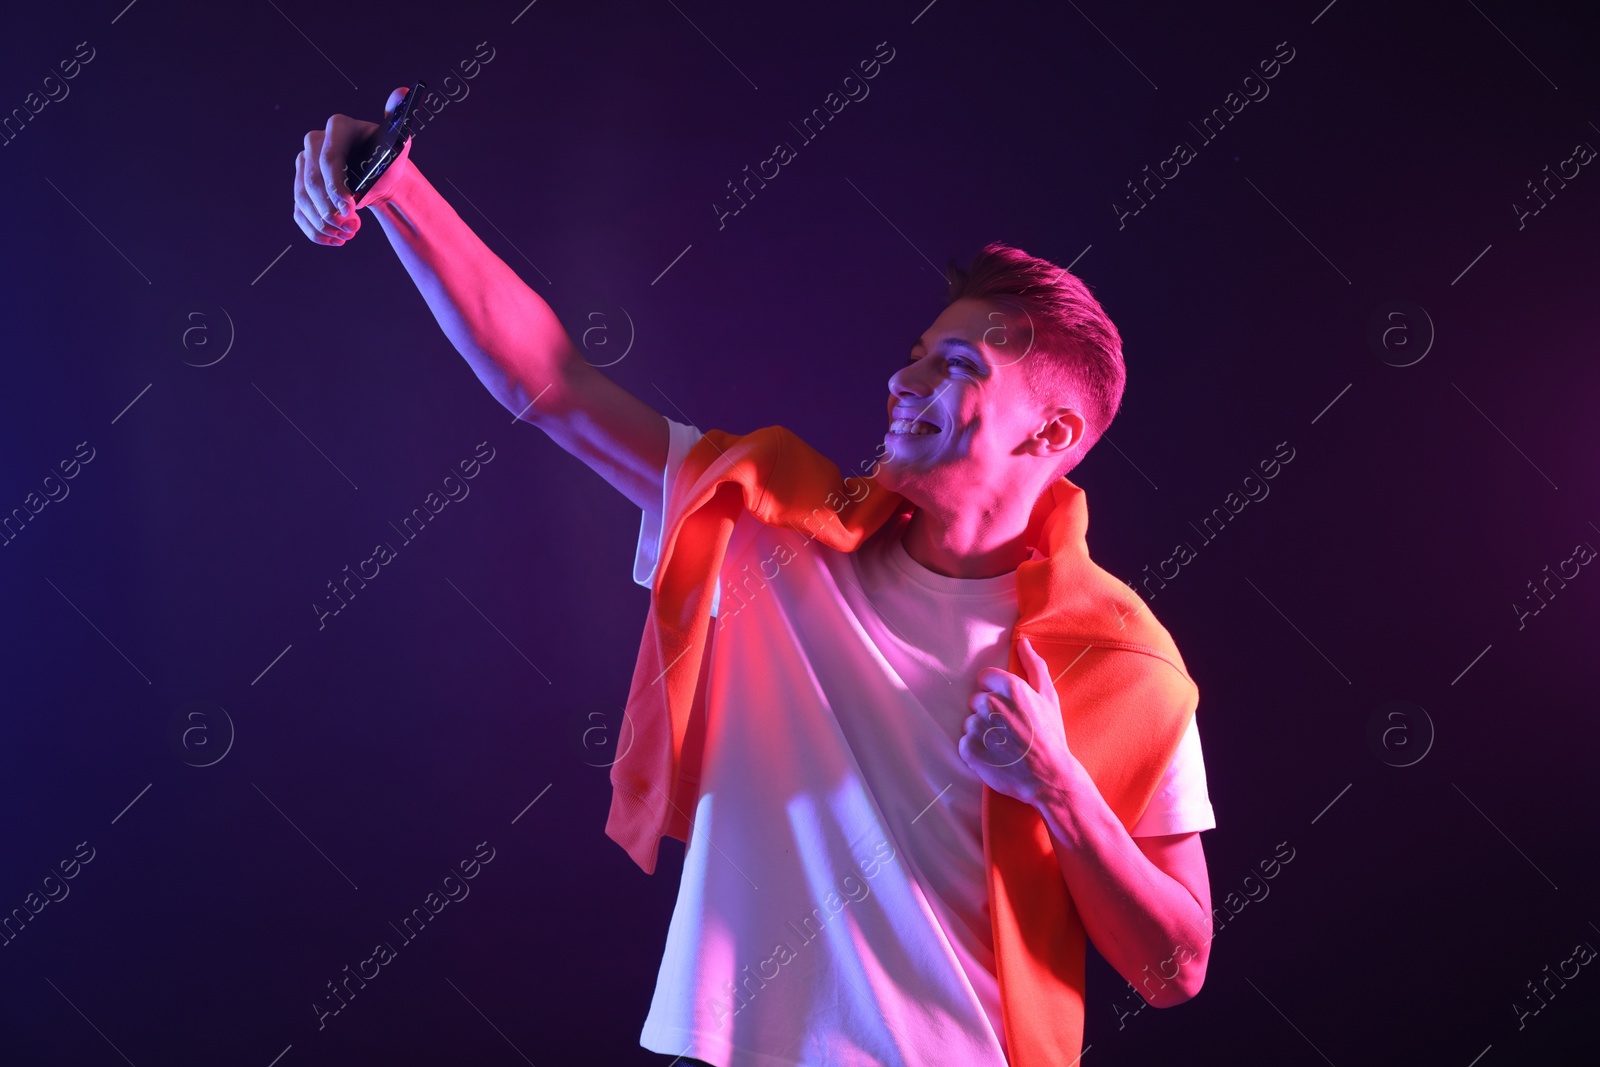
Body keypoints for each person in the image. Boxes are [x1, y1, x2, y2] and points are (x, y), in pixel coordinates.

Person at [293, 88, 1217, 1067]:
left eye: (953, 366)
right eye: (910, 356)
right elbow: (552, 382)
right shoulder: (774, 522)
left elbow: (1174, 966)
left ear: (1051, 432)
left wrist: (1059, 786)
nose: (900, 383)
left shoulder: (1119, 658)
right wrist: (396, 185)